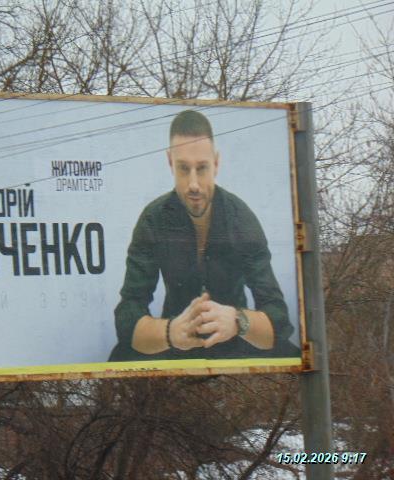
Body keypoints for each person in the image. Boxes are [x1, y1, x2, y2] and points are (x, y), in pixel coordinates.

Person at [109, 110, 295, 361]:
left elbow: (278, 316)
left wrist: (237, 321)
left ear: (216, 163)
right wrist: (170, 332)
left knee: (291, 354)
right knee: (119, 357)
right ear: (170, 162)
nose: (193, 184)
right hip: (174, 347)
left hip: (235, 346)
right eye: (183, 169)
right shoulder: (153, 219)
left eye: (202, 168)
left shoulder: (241, 217)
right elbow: (128, 312)